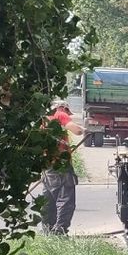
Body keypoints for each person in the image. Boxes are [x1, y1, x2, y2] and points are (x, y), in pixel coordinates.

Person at [41, 100, 85, 235]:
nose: (67, 114)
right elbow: (77, 130)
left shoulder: (44, 119)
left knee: (48, 199)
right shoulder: (60, 114)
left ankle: (47, 230)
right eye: (67, 112)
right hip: (61, 166)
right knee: (65, 200)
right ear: (62, 108)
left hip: (47, 165)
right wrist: (86, 130)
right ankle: (60, 231)